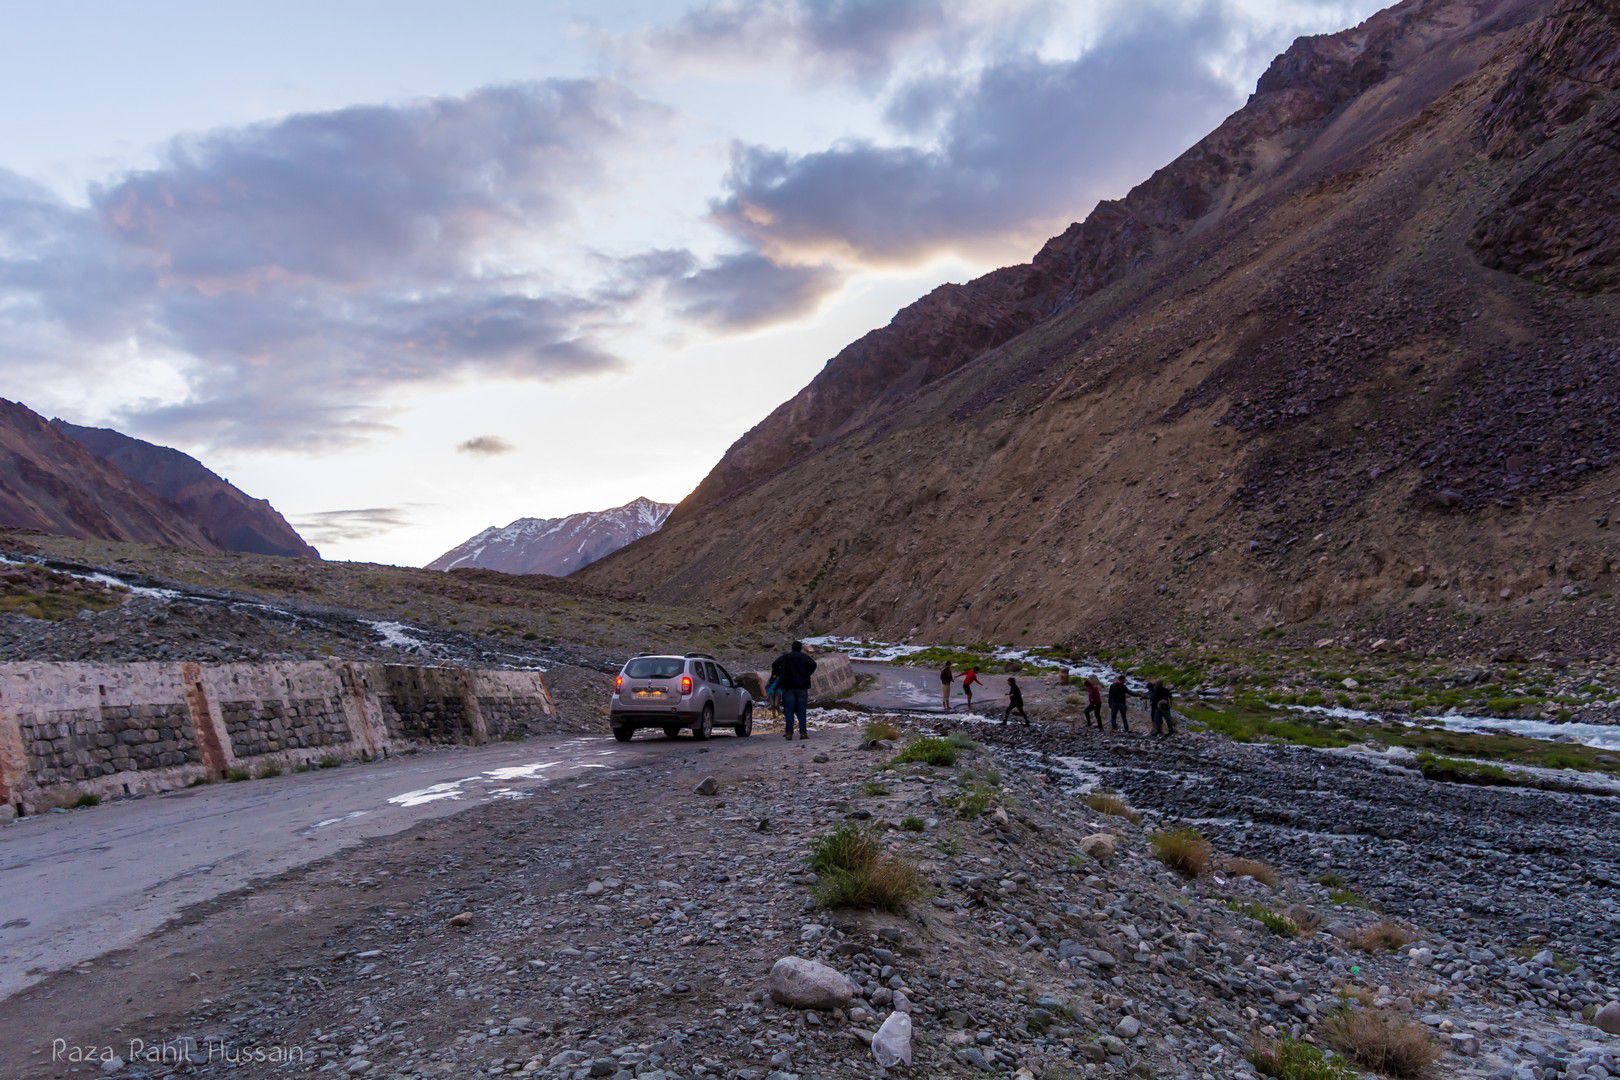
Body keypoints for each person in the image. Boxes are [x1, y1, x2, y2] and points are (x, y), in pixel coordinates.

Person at [771, 641, 817, 741]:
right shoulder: (804, 657)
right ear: (800, 648)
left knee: (789, 711)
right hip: (802, 687)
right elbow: (814, 664)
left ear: (792, 648)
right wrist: (807, 674)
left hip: (788, 688)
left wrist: (779, 674)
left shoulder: (786, 657)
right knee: (801, 711)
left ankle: (789, 733)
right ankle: (803, 732)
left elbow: (774, 664)